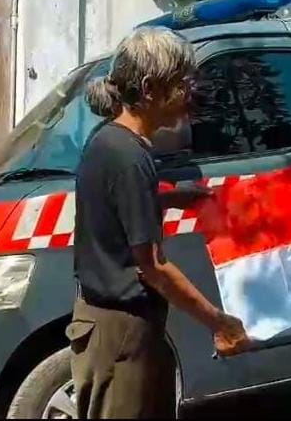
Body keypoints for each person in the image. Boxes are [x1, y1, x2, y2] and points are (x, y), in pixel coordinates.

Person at [68, 27, 250, 419]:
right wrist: (218, 321)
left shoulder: (112, 142)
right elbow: (152, 266)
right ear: (150, 88)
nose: (189, 97)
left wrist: (167, 198)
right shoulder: (129, 157)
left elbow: (114, 211)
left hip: (120, 327)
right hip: (120, 333)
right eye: (183, 85)